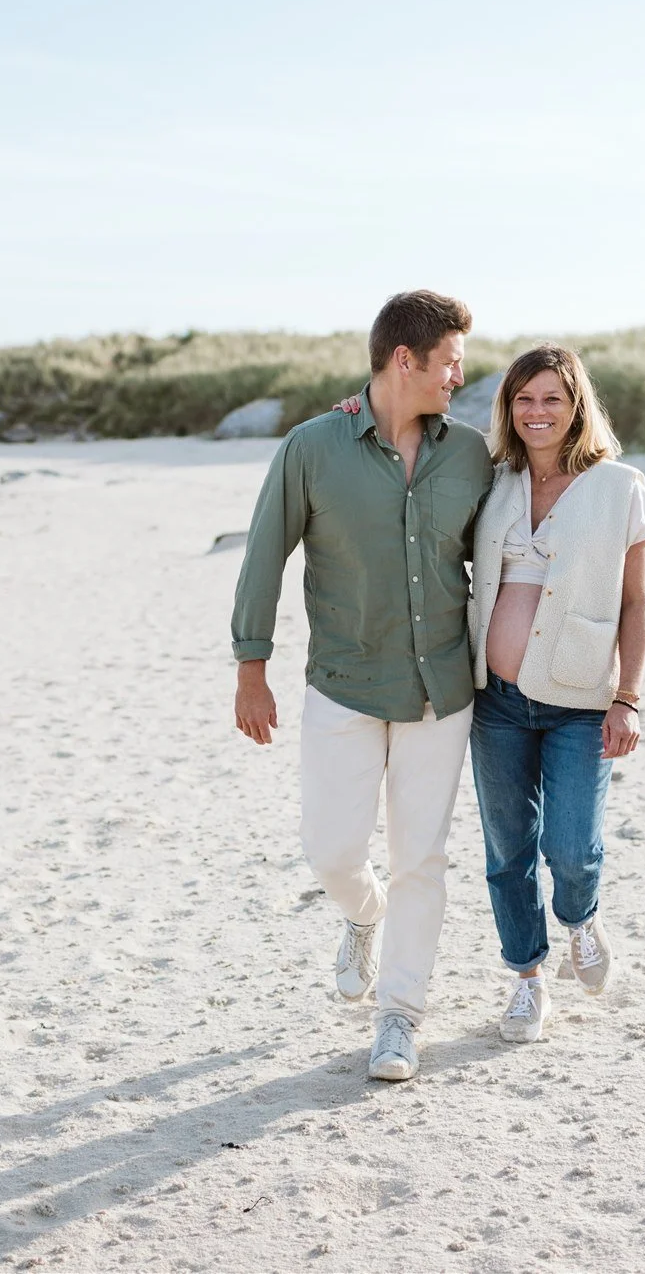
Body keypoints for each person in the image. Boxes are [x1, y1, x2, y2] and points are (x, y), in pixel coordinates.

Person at [339, 342, 645, 1045]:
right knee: (507, 849)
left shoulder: (620, 486)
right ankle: (527, 979)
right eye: (523, 399)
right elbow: (406, 457)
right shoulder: (492, 478)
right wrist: (355, 412)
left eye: (552, 398)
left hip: (579, 700)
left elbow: (635, 604)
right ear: (507, 409)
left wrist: (627, 697)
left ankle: (580, 918)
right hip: (497, 701)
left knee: (572, 849)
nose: (537, 412)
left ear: (577, 406)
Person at [230, 290, 492, 1082]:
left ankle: (400, 1017)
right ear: (404, 360)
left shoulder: (472, 453)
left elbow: (514, 536)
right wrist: (252, 664)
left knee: (423, 857)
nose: (460, 373)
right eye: (450, 359)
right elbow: (264, 551)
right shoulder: (313, 447)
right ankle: (362, 916)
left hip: (440, 689)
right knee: (333, 850)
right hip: (342, 683)